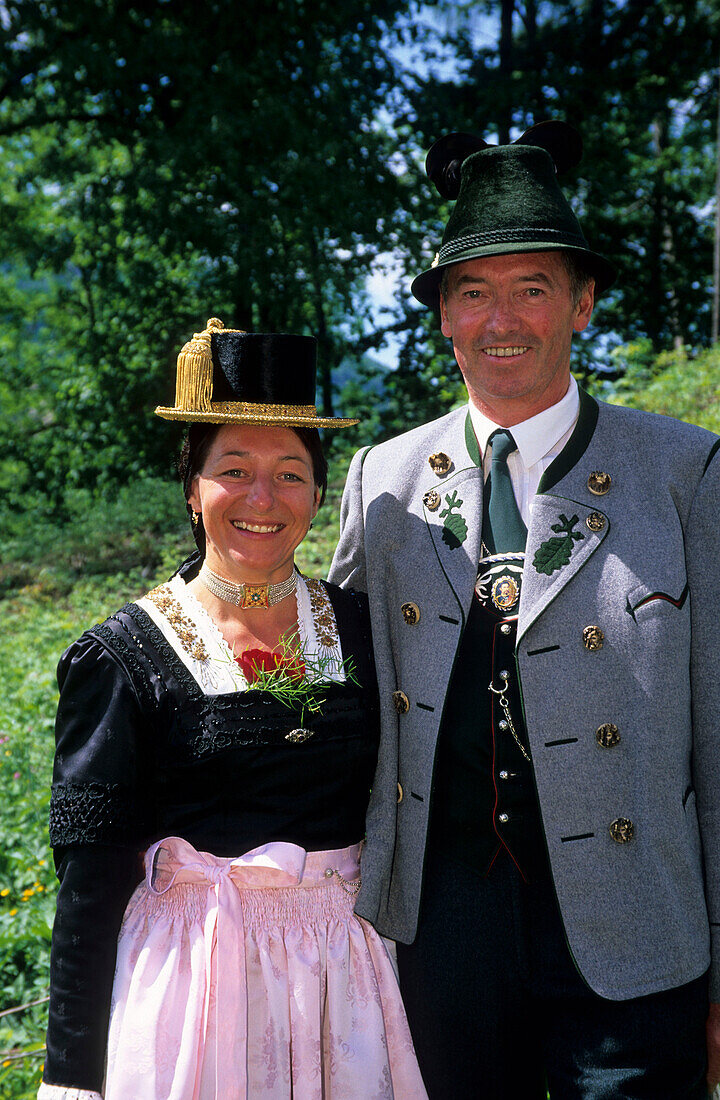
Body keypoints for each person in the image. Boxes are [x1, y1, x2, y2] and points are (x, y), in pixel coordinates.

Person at [328, 120, 720, 1098]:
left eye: (532, 287)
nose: (501, 317)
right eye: (473, 292)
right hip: (444, 935)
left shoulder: (682, 473)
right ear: (444, 319)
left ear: (583, 303)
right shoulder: (383, 478)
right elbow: (341, 708)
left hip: (640, 930)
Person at [39, 320, 426, 1100]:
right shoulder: (122, 656)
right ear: (192, 487)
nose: (262, 497)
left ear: (319, 494)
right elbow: (91, 882)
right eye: (234, 469)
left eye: (290, 472)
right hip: (194, 990)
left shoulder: (363, 628)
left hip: (346, 988)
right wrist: (71, 1077)